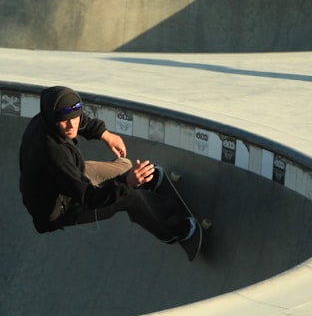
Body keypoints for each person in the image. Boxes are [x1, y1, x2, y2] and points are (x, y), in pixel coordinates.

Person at [19, 86, 196, 244]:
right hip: (62, 209)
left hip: (58, 181)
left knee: (124, 166)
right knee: (130, 197)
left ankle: (143, 182)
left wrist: (104, 134)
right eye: (64, 120)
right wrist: (127, 183)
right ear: (53, 118)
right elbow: (90, 198)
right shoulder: (54, 154)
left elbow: (79, 120)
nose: (71, 125)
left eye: (74, 117)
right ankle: (168, 232)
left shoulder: (46, 118)